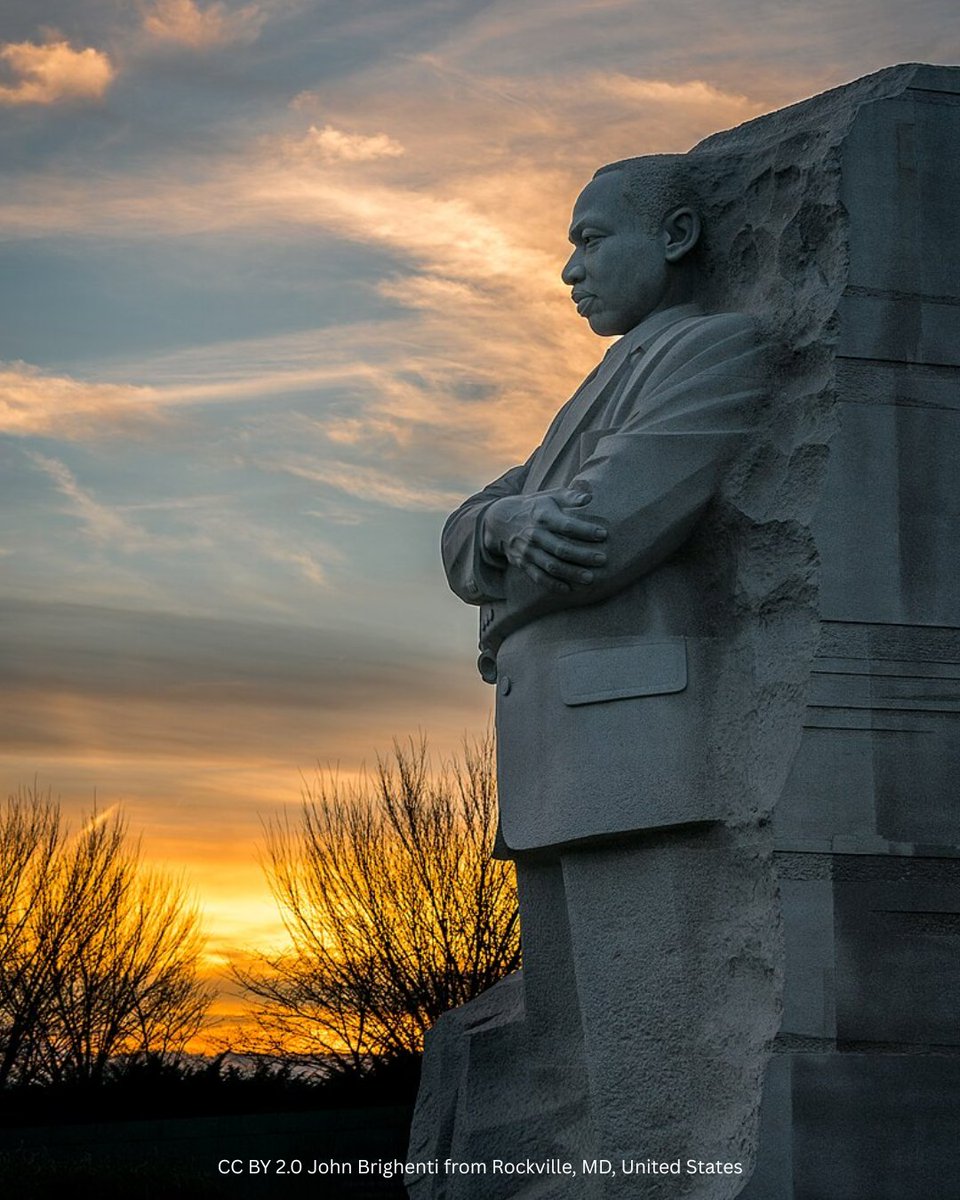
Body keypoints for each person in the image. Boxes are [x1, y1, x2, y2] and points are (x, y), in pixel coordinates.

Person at [431, 155, 777, 1199]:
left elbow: (604, 529)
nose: (567, 269)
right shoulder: (591, 394)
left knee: (649, 1072)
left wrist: (507, 535)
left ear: (674, 237)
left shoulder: (718, 347)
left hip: (631, 749)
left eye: (590, 239)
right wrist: (502, 524)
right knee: (577, 1063)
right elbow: (462, 533)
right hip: (558, 755)